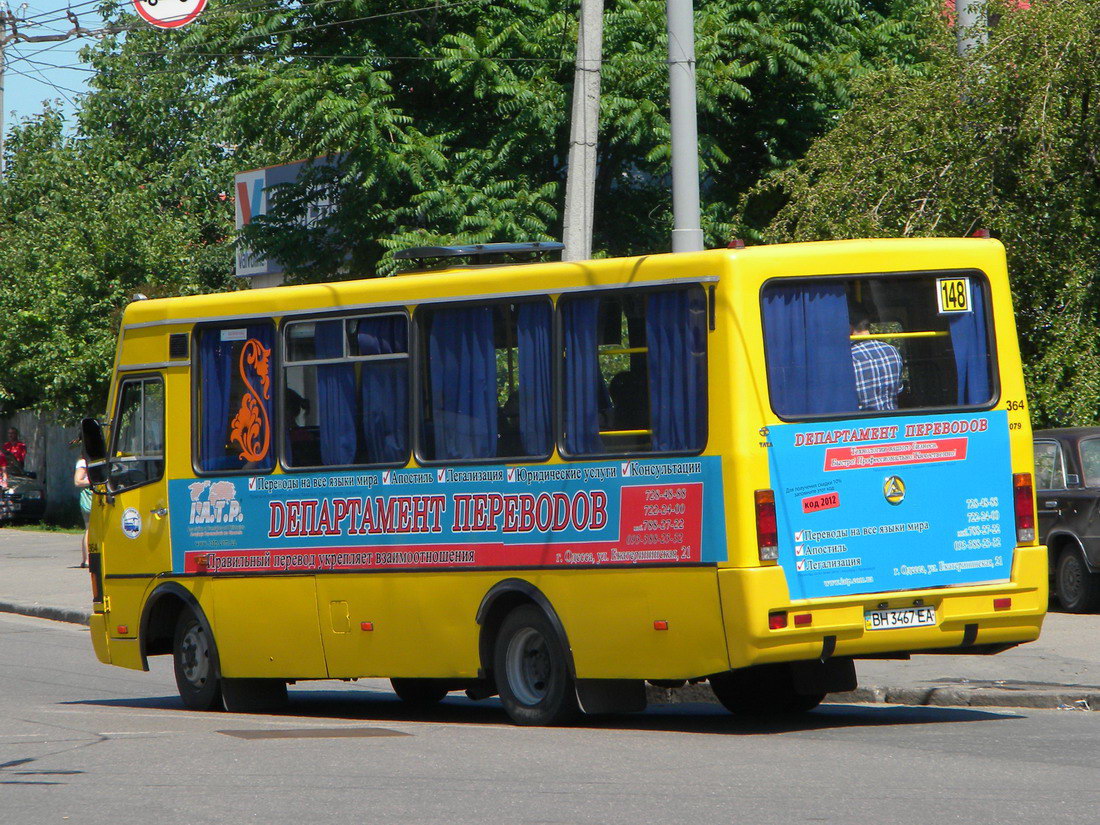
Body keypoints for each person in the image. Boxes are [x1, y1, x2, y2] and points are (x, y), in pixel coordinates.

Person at [850, 308, 903, 411]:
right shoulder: (892, 351)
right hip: (892, 421)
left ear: (849, 328)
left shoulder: (848, 358)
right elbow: (899, 389)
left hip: (862, 424)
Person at [74, 457, 91, 568]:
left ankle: (87, 559)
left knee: (90, 529)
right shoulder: (83, 463)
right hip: (89, 498)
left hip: (92, 497)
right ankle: (88, 560)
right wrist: (93, 481)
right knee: (89, 529)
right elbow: (77, 481)